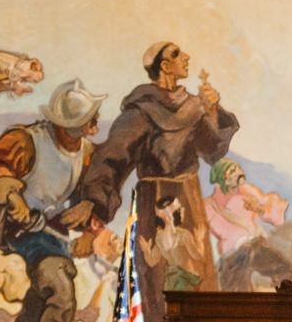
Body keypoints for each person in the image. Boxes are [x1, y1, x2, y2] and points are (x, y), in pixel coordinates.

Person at [75, 41, 238, 286]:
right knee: (157, 276)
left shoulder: (194, 105)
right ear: (165, 66)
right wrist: (94, 203)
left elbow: (211, 151)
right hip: (155, 203)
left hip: (189, 200)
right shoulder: (142, 110)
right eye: (177, 54)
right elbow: (113, 156)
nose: (186, 57)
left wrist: (212, 111)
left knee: (197, 273)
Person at [0, 78, 106, 322]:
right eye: (88, 117)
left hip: (53, 237)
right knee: (60, 291)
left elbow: (94, 193)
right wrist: (11, 193)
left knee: (38, 304)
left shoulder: (86, 153)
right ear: (67, 125)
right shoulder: (27, 141)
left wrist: (88, 231)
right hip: (20, 234)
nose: (95, 120)